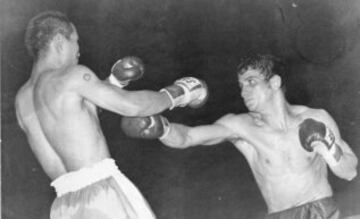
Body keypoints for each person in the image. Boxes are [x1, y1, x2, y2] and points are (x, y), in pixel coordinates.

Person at [15, 11, 208, 219]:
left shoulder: (22, 100)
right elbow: (132, 106)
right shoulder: (72, 76)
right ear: (60, 42)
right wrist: (177, 93)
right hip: (102, 196)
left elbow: (72, 116)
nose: (78, 50)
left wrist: (114, 82)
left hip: (64, 206)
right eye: (76, 41)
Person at [121, 54, 358, 219]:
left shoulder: (316, 118)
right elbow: (189, 137)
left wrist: (327, 146)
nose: (244, 92)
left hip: (323, 211)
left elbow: (349, 171)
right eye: (241, 85)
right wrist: (161, 128)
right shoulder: (241, 126)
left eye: (251, 82)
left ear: (274, 82)